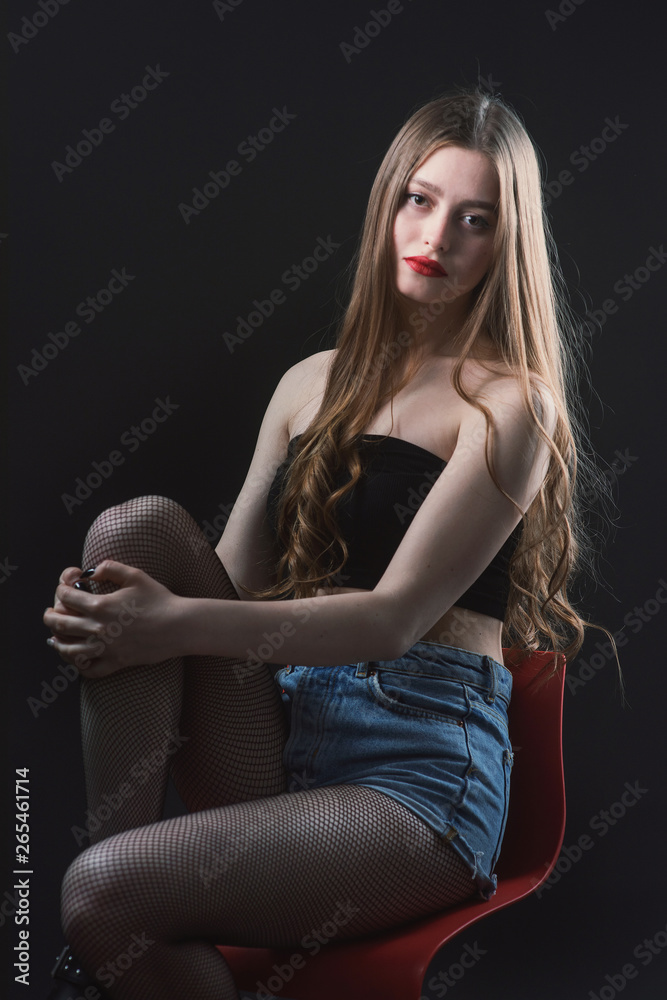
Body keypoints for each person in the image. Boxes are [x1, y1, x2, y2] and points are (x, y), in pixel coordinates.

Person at [42, 87, 619, 999]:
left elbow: (392, 621)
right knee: (134, 531)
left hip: (413, 772)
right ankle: (107, 940)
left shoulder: (510, 405)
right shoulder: (309, 383)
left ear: (504, 243)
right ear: (388, 203)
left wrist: (165, 625)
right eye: (419, 200)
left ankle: (102, 932)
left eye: (474, 219)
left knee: (101, 893)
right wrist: (118, 613)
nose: (436, 235)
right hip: (274, 733)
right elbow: (231, 592)